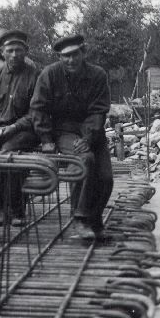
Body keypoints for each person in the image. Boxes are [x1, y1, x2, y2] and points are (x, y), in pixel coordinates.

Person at [30, 34, 113, 240]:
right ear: (59, 57)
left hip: (92, 131)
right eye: (65, 56)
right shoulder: (49, 74)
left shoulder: (97, 75)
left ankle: (95, 221)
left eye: (75, 54)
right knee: (84, 161)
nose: (70, 60)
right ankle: (79, 218)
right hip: (63, 130)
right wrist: (46, 140)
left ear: (83, 53)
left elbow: (98, 111)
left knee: (106, 177)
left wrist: (87, 138)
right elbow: (38, 108)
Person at [0, 30, 40, 235]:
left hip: (25, 129)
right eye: (9, 50)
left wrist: (13, 127)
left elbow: (36, 111)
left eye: (19, 50)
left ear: (26, 51)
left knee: (8, 152)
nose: (14, 55)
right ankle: (3, 207)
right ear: (2, 52)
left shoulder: (34, 73)